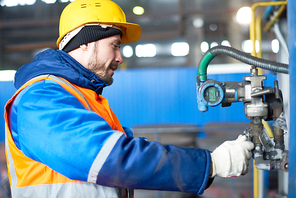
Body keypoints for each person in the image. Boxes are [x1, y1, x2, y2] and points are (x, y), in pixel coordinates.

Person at [4, 0, 254, 197]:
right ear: (84, 42)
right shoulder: (40, 98)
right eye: (114, 45)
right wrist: (209, 163)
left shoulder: (83, 98)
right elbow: (108, 157)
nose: (119, 57)